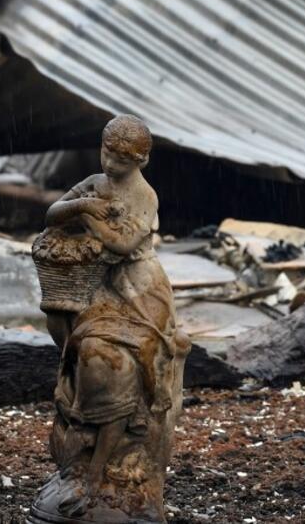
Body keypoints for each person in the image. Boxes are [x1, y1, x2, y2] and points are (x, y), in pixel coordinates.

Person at [30, 115, 187, 523]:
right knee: (74, 343)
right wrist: (84, 205)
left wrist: (87, 219)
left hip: (139, 288)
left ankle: (117, 459)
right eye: (106, 153)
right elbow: (52, 214)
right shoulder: (96, 184)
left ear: (142, 160)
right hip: (102, 283)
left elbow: (123, 243)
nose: (111, 164)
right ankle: (79, 461)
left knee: (115, 354)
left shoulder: (144, 195)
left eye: (121, 159)